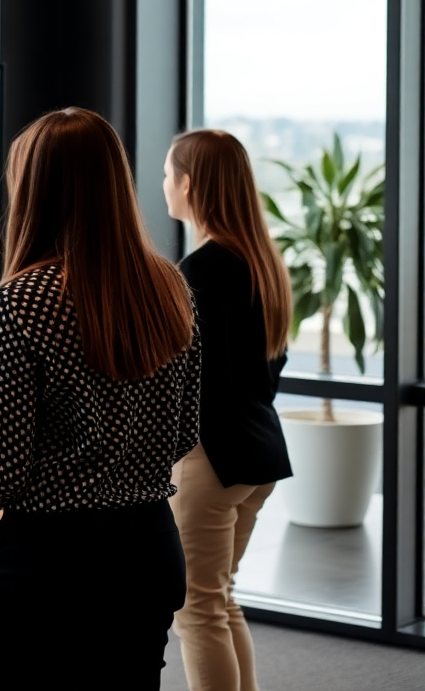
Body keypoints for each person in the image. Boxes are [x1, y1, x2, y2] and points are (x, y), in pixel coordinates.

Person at [0, 107, 201, 691]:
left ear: (32, 189)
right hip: (149, 549)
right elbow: (184, 432)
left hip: (51, 565)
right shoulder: (170, 286)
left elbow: (3, 460)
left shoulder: (18, 302)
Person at [163, 129, 292, 691]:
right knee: (217, 600)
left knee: (195, 608)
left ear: (188, 183)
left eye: (169, 175)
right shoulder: (263, 262)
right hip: (259, 451)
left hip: (210, 459)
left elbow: (186, 381)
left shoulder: (198, 272)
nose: (165, 186)